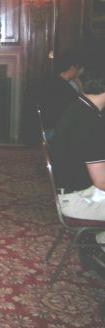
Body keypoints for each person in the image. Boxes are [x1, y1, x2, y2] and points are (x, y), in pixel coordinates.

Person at [50, 69, 105, 271]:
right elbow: (101, 182)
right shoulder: (90, 122)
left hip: (74, 189)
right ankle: (100, 247)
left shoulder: (79, 108)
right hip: (78, 200)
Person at [38, 50, 84, 140]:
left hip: (41, 130)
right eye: (78, 68)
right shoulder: (66, 89)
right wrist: (79, 84)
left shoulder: (49, 81)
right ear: (73, 67)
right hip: (53, 133)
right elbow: (83, 108)